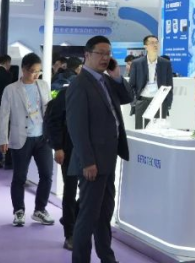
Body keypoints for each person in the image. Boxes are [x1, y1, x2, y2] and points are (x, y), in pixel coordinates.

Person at [67, 36, 131, 263]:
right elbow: (77, 127)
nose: (105, 58)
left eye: (108, 54)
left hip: (108, 159)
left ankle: (107, 258)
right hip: (92, 163)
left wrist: (117, 76)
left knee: (104, 214)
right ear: (87, 55)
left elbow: (127, 97)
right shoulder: (79, 84)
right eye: (101, 53)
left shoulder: (105, 80)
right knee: (88, 216)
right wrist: (87, 161)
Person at [0, 53, 55, 227]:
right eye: (32, 71)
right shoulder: (11, 89)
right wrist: (3, 139)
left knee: (47, 175)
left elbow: (49, 110)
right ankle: (19, 211)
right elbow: (4, 115)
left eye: (38, 71)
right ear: (23, 69)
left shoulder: (43, 85)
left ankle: (40, 210)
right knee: (19, 177)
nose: (35, 75)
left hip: (43, 137)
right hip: (21, 138)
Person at [46, 56, 83, 250]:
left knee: (89, 192)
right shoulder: (65, 94)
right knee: (70, 190)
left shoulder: (93, 95)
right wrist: (58, 147)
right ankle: (70, 233)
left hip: (88, 151)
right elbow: (54, 122)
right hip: (69, 150)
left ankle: (71, 216)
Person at [127, 35, 173, 129]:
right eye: (152, 43)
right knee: (141, 130)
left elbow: (169, 85)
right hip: (142, 101)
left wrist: (167, 104)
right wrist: (135, 102)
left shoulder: (165, 63)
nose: (155, 45)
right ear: (145, 46)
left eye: (156, 42)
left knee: (159, 132)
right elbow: (131, 85)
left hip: (159, 102)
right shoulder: (137, 63)